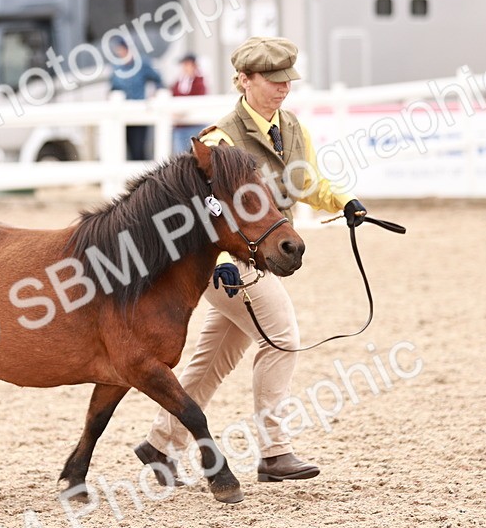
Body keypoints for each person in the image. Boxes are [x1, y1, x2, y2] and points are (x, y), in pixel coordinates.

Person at [133, 36, 368, 484]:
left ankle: (161, 443)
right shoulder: (221, 139)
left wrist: (345, 201)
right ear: (244, 81)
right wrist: (219, 261)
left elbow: (309, 182)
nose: (284, 88)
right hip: (229, 261)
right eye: (273, 80)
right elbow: (197, 208)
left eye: (287, 80)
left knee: (215, 358)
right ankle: (275, 451)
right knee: (282, 335)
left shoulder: (293, 128)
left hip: (264, 254)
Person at [109, 37, 162, 161]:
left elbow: (158, 79)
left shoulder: (141, 64)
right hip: (123, 113)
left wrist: (155, 94)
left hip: (140, 113)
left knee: (139, 148)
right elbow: (113, 87)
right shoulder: (117, 68)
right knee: (126, 148)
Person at [171, 53, 208, 155]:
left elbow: (199, 99)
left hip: (194, 125)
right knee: (180, 155)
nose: (185, 67)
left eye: (187, 64)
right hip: (180, 125)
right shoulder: (179, 82)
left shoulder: (199, 81)